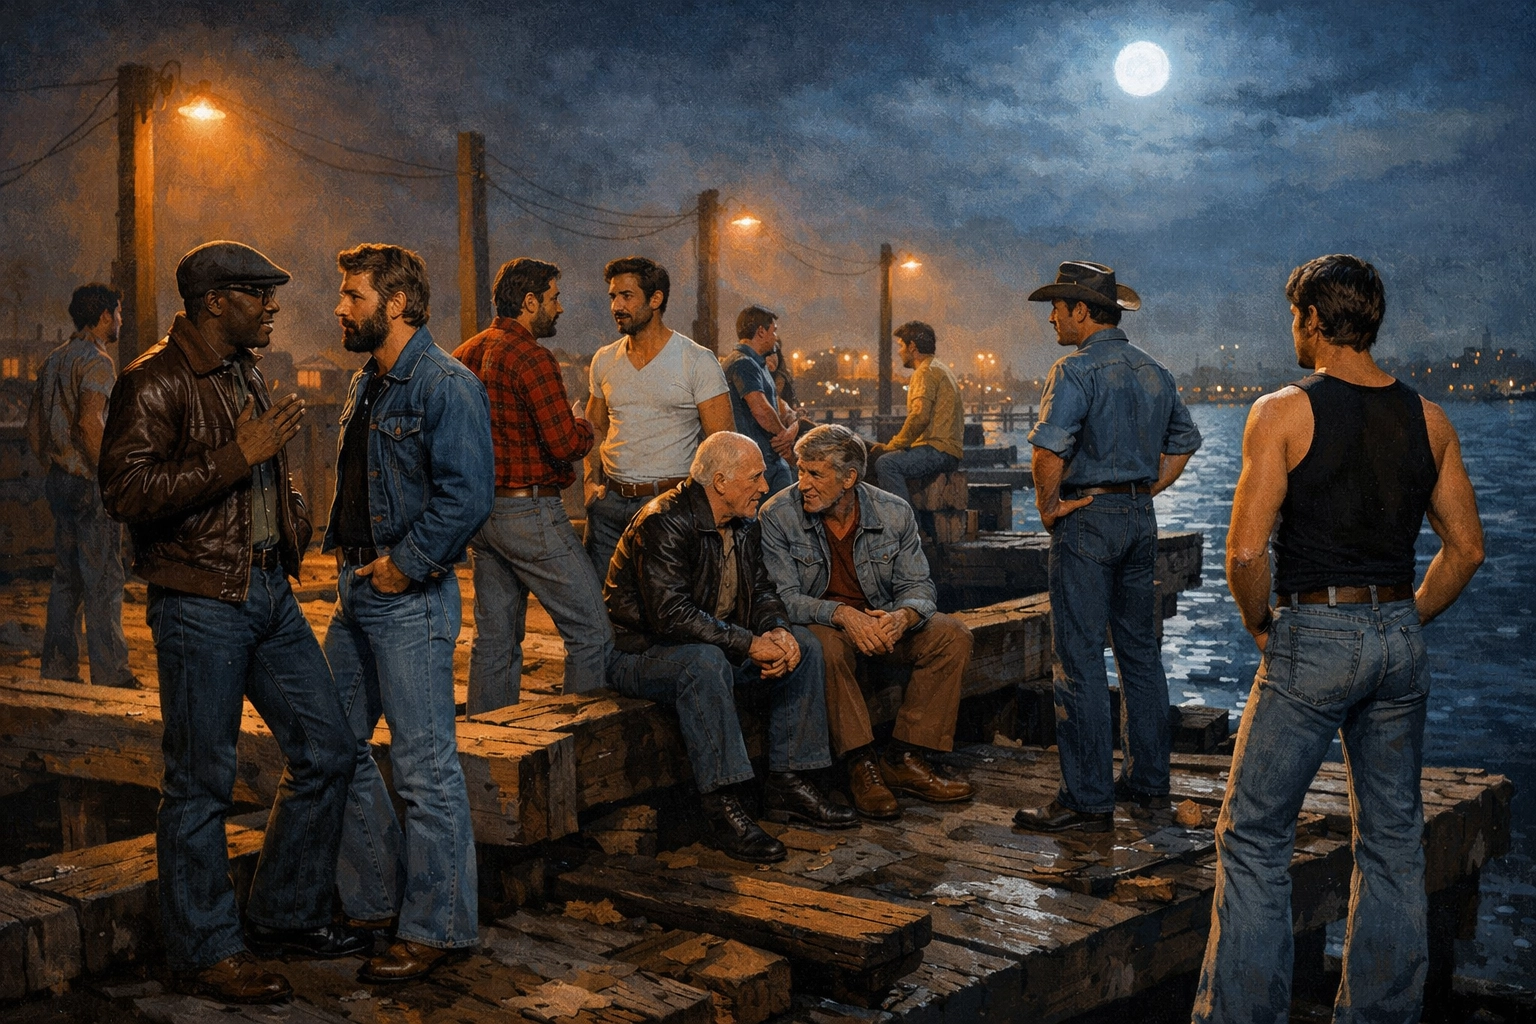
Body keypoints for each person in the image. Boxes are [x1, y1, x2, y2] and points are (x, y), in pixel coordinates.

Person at [1193, 255, 1485, 1024]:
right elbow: (1467, 551)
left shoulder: (1282, 411)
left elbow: (1246, 553)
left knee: (1255, 837)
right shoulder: (1430, 419)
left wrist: (1261, 624)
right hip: (1395, 632)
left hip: (1314, 631)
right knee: (1392, 841)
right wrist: (1405, 620)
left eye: (1296, 316)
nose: (1293, 329)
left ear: (1315, 321)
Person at [99, 241, 362, 1004]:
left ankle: (284, 913)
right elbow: (127, 492)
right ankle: (205, 949)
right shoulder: (152, 381)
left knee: (329, 749)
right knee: (198, 785)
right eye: (258, 292)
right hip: (199, 604)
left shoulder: (246, 369)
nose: (274, 304)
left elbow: (269, 471)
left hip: (267, 594)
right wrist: (234, 457)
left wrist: (290, 525)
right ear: (213, 300)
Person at [321, 244, 494, 982]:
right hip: (357, 588)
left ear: (396, 304)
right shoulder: (370, 381)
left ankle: (438, 927)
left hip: (409, 596)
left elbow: (468, 495)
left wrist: (405, 564)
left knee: (425, 771)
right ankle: (374, 901)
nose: (340, 307)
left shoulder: (444, 384)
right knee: (333, 745)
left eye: (353, 296)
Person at [604, 432, 856, 863]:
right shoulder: (662, 521)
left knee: (806, 645)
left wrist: (777, 630)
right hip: (640, 654)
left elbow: (762, 591)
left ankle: (789, 781)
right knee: (703, 664)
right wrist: (749, 643)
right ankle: (722, 806)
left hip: (712, 648)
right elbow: (670, 617)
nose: (765, 486)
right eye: (756, 477)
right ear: (719, 481)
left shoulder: (743, 523)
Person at [1013, 261, 1201, 833]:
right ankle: (1148, 784)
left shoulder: (1074, 370)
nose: (1051, 318)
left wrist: (1050, 509)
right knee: (1140, 654)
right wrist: (1141, 490)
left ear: (1083, 312)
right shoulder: (1155, 372)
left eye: (1059, 307)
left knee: (1078, 661)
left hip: (1088, 519)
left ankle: (1086, 798)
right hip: (1139, 518)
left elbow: (1048, 453)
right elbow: (1183, 444)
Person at [760, 424, 973, 820]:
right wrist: (841, 613)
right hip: (825, 626)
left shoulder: (893, 511)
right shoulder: (777, 514)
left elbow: (919, 586)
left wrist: (901, 617)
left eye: (815, 474)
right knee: (822, 645)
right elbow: (784, 599)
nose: (802, 483)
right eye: (800, 470)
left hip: (879, 626)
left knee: (952, 635)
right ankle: (861, 765)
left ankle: (905, 756)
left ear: (849, 478)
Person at [453, 258, 612, 714]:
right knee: (591, 632)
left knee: (495, 642)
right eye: (553, 298)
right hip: (530, 513)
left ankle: (487, 747)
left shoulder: (464, 353)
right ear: (529, 302)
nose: (559, 308)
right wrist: (585, 423)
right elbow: (564, 443)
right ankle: (578, 745)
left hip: (482, 516)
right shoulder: (533, 357)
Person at [585, 256, 733, 578]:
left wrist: (708, 510)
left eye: (627, 296)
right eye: (613, 296)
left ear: (655, 300)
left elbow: (722, 444)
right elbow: (594, 425)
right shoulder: (604, 359)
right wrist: (589, 480)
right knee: (601, 609)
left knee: (662, 610)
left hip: (668, 505)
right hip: (609, 508)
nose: (616, 306)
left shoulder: (696, 361)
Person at [25, 283, 136, 689]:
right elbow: (91, 425)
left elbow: (33, 430)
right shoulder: (97, 362)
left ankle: (58, 669)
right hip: (90, 482)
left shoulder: (53, 361)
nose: (120, 320)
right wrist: (109, 478)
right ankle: (111, 673)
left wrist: (56, 464)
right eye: (118, 313)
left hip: (60, 482)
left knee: (66, 578)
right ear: (104, 316)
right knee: (104, 578)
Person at [868, 321, 964, 506]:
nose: (899, 351)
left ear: (912, 346)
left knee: (886, 464)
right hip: (947, 450)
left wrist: (893, 445)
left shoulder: (925, 372)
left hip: (938, 451)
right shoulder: (940, 369)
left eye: (901, 345)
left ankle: (905, 526)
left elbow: (920, 417)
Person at [721, 306, 797, 495]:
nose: (775, 338)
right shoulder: (743, 363)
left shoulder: (756, 364)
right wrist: (784, 438)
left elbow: (776, 406)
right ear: (761, 331)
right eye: (774, 331)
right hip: (757, 463)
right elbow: (761, 410)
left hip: (767, 459)